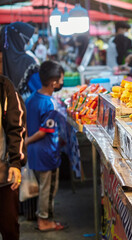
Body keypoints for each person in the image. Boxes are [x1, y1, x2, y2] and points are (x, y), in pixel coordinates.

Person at [25, 60, 67, 232]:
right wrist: (27, 141)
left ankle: (43, 217)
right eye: (61, 78)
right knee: (48, 189)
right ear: (54, 82)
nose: (62, 82)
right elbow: (43, 131)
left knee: (43, 187)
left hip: (35, 152)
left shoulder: (31, 98)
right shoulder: (49, 103)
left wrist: (26, 143)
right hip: (46, 152)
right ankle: (45, 221)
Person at [0, 75, 27, 240]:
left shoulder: (4, 87)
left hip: (3, 175)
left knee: (9, 227)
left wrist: (16, 163)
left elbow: (16, 127)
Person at [0, 22, 36, 88]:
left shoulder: (2, 57)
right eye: (27, 39)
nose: (29, 42)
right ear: (19, 39)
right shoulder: (28, 62)